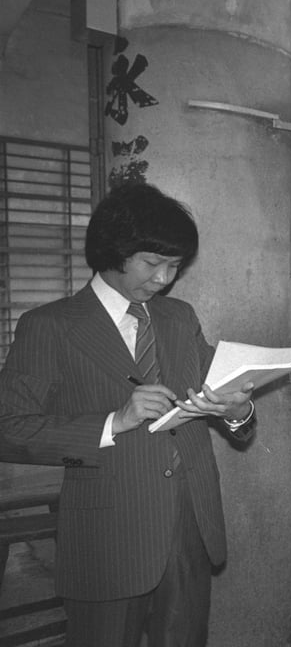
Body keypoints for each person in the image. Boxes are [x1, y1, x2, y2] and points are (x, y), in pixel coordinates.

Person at [0, 183, 257, 647]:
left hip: (189, 526)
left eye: (174, 266)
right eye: (152, 262)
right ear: (113, 252)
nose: (163, 279)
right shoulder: (50, 325)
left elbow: (219, 394)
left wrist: (237, 410)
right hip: (108, 534)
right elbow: (11, 430)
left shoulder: (180, 317)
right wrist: (112, 422)